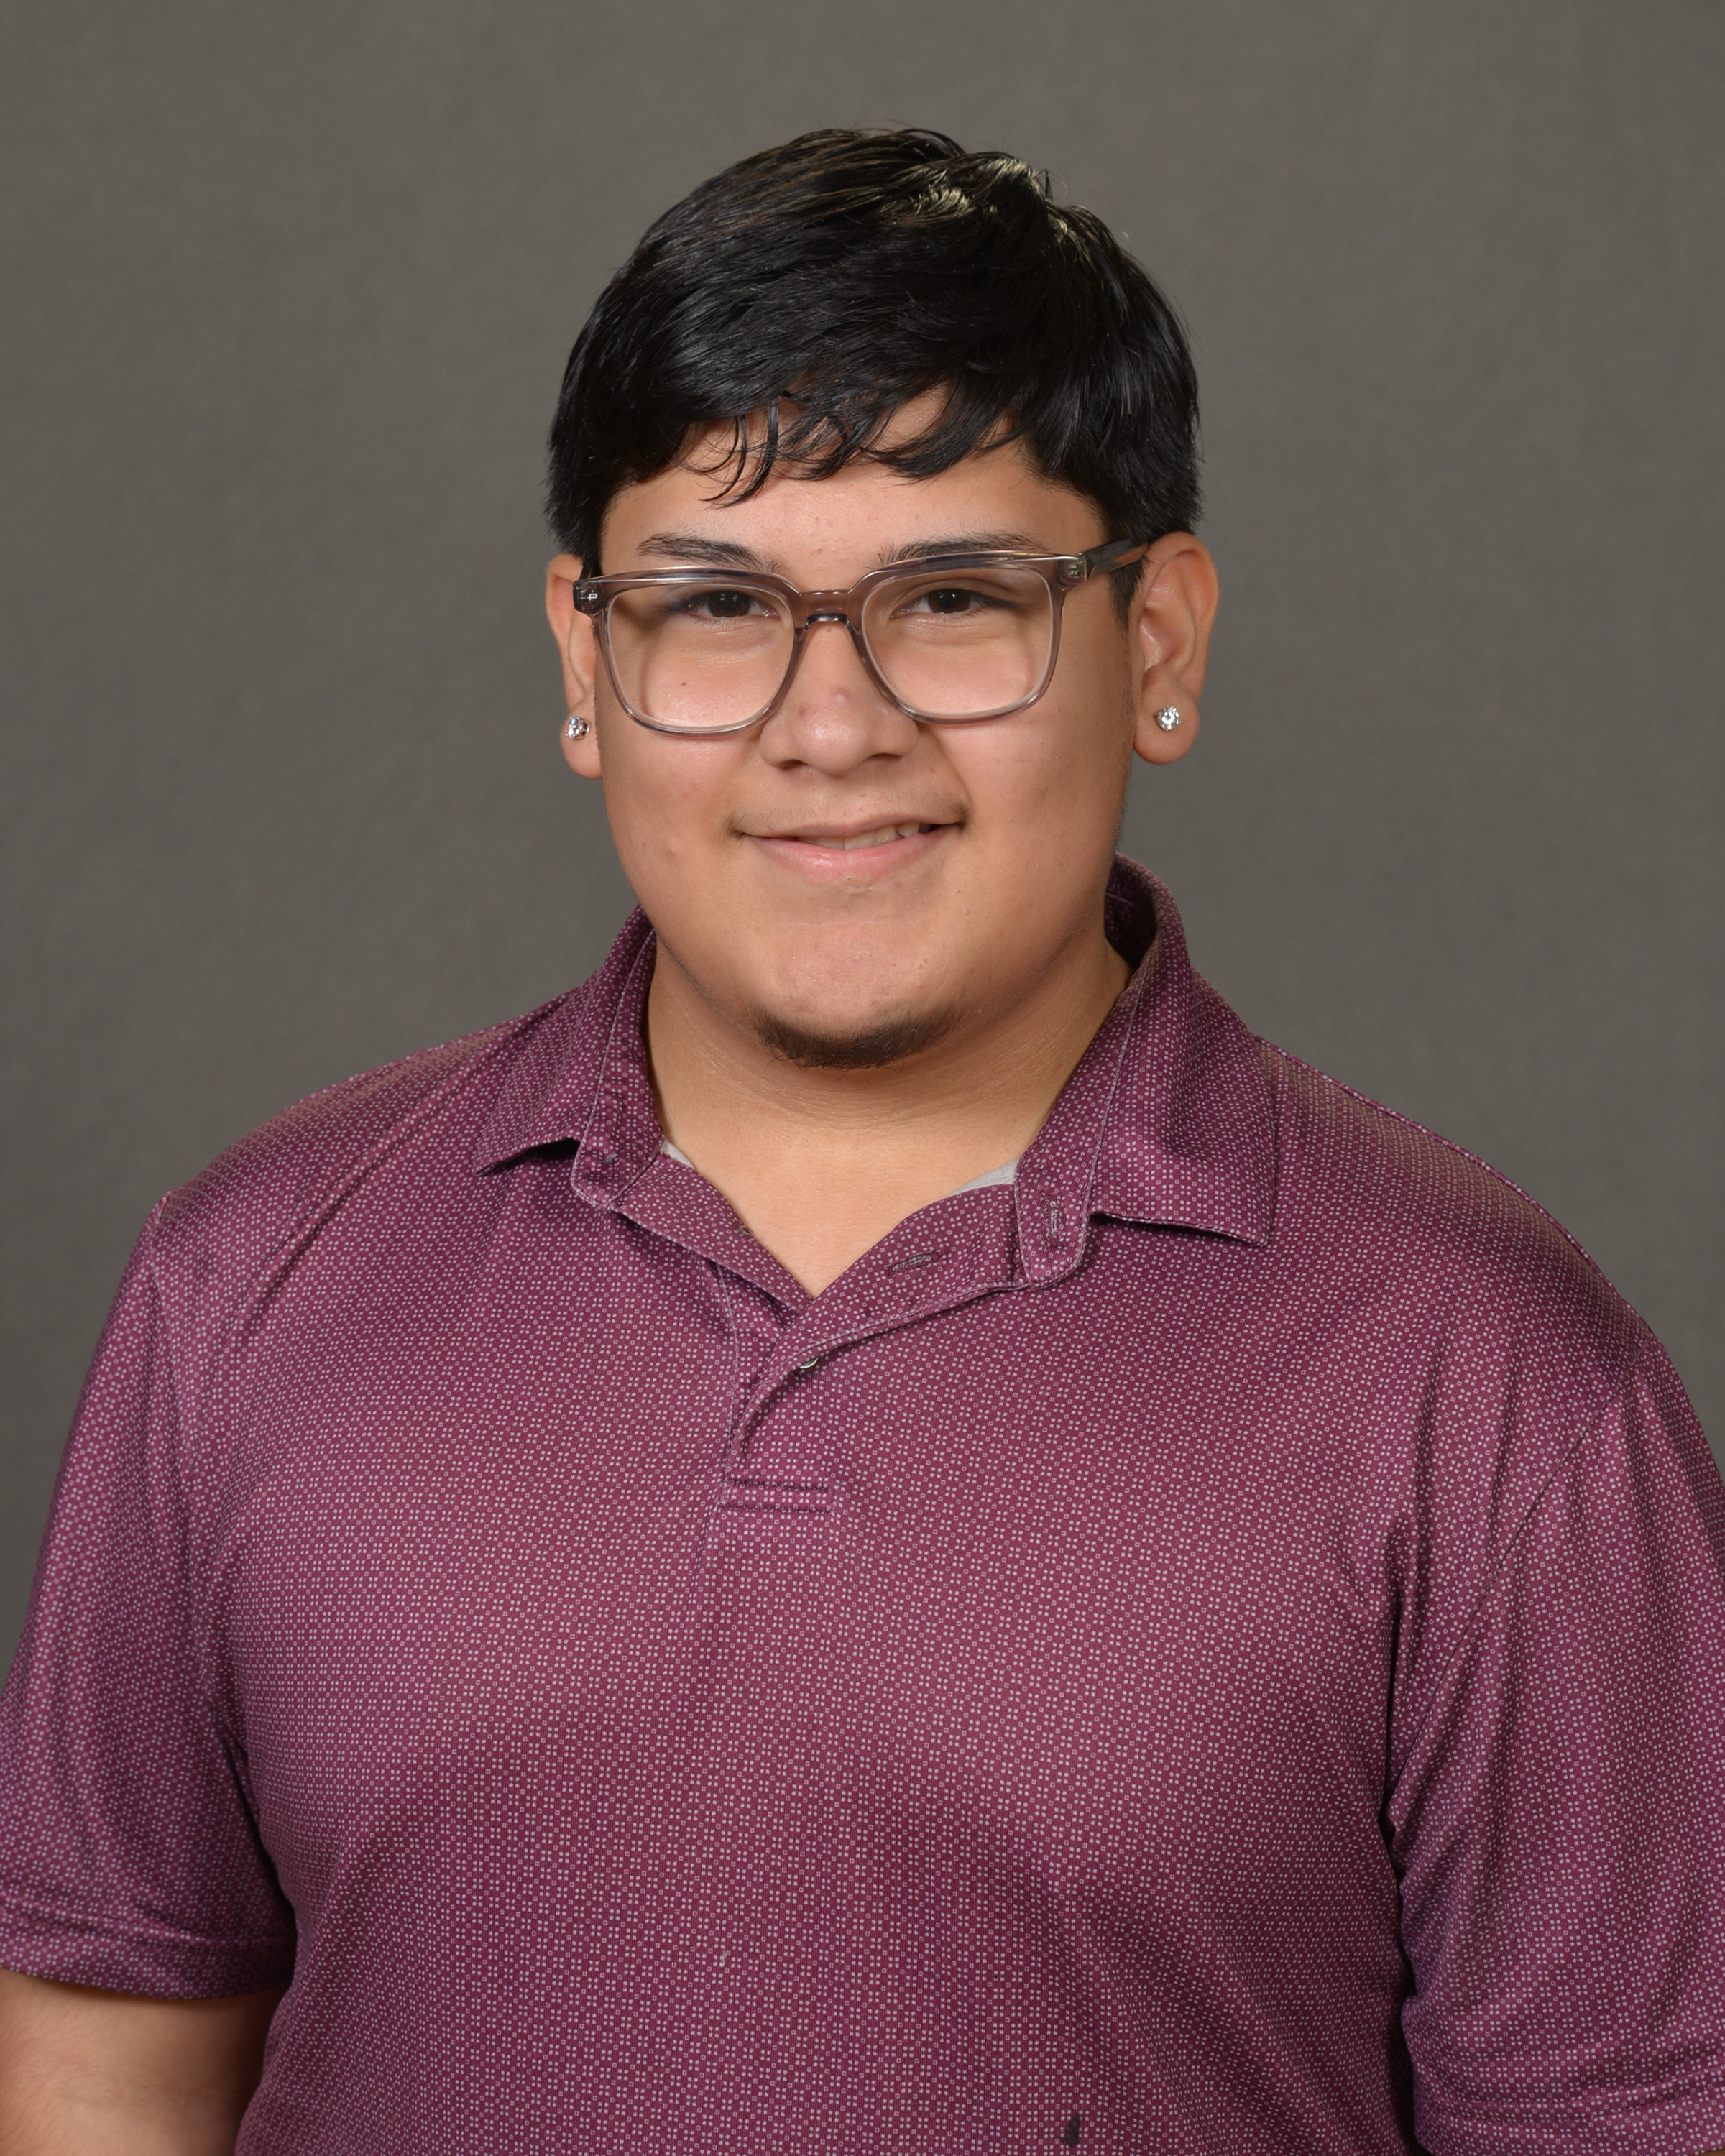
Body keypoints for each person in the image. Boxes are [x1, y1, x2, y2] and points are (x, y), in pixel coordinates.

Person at [0, 126, 1721, 2156]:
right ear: (586, 659)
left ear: (1158, 642)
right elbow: (108, 2061)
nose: (832, 726)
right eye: (716, 605)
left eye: (957, 598)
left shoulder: (1496, 1380)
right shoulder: (250, 1280)